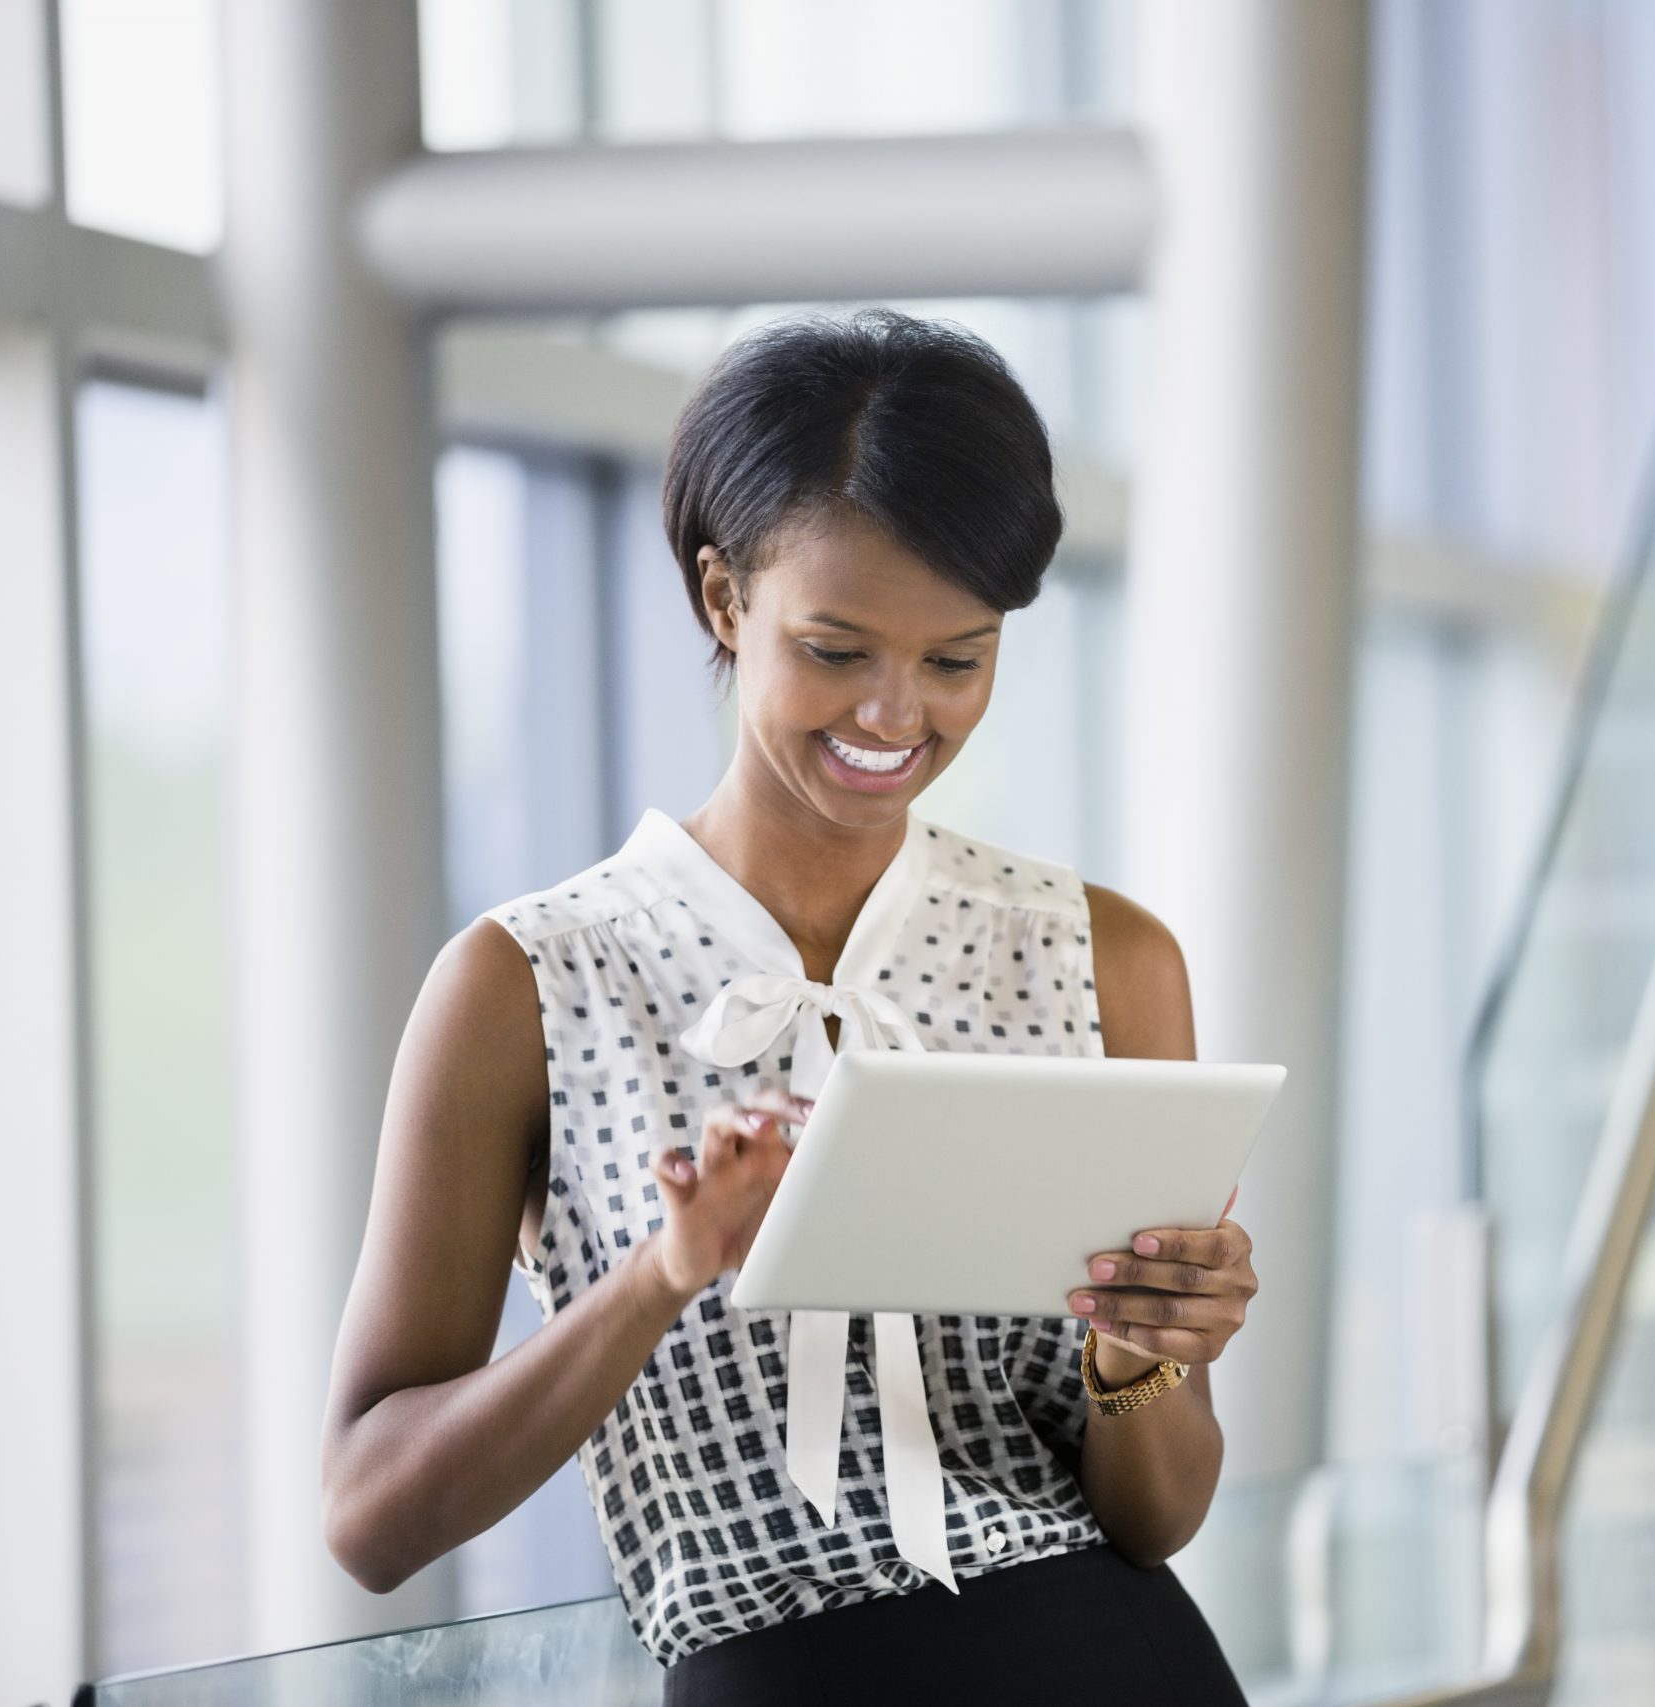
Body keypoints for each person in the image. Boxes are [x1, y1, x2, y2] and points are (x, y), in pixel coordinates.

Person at [321, 308, 1256, 1703]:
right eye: (835, 649)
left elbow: (1157, 1518)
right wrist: (661, 1277)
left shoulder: (1106, 957)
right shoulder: (526, 985)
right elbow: (373, 1519)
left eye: (958, 659)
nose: (895, 715)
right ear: (722, 600)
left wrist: (1141, 1354)